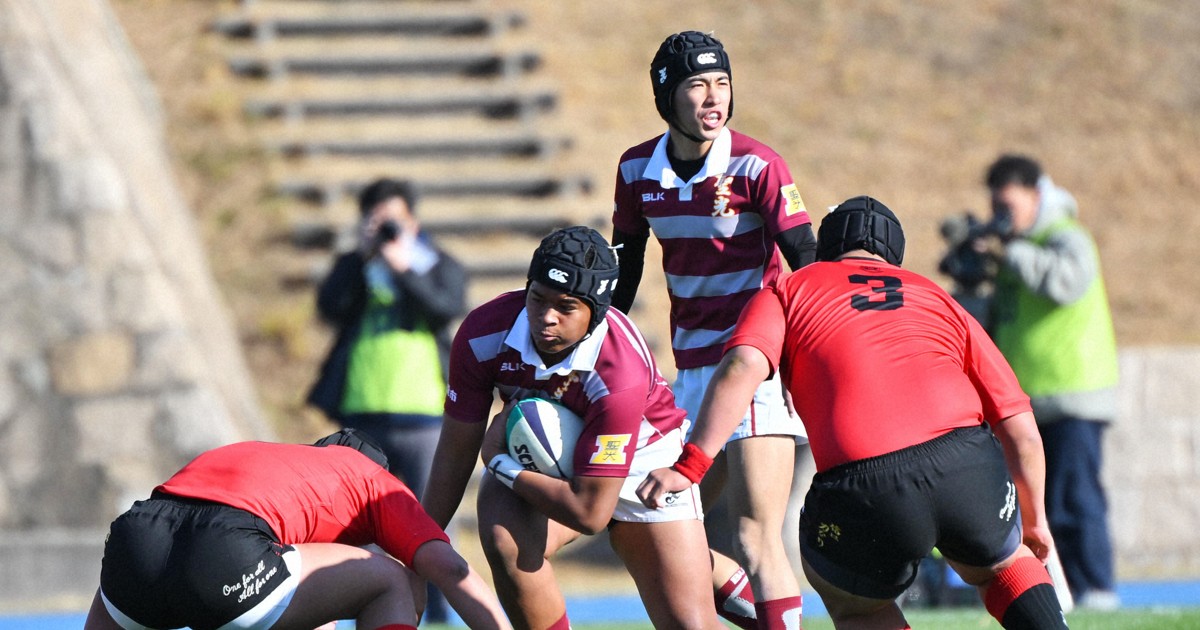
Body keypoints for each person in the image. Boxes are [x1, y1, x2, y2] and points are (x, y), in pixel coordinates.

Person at [639, 196, 1069, 629]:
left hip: (863, 484)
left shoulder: (788, 289)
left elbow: (743, 365)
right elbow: (1020, 427)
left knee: (854, 601)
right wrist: (1035, 522)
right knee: (1004, 564)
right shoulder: (936, 296)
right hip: (964, 462)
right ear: (893, 258)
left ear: (825, 251)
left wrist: (691, 465)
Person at [421, 226, 734, 630]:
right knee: (505, 535)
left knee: (689, 623)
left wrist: (499, 463)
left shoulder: (619, 369)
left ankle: (775, 617)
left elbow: (590, 513)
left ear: (597, 311)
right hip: (543, 460)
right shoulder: (485, 334)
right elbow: (455, 451)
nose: (546, 318)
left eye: (566, 307)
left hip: (642, 462)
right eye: (537, 298)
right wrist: (421, 542)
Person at [610, 30, 817, 629]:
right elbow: (625, 272)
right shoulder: (635, 168)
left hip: (753, 368)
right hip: (689, 372)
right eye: (697, 85)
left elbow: (808, 265)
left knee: (756, 537)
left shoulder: (758, 164)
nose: (713, 98)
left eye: (722, 83)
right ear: (666, 96)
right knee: (653, 525)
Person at [84, 429, 512, 630]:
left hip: (135, 540)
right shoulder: (375, 482)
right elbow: (449, 569)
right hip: (224, 551)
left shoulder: (279, 460)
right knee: (394, 581)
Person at [306, 177, 467, 621]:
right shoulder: (355, 265)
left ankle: (434, 613)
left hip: (423, 413)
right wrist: (363, 258)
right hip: (363, 412)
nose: (386, 229)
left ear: (413, 221)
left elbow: (445, 307)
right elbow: (330, 309)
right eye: (376, 221)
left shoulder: (435, 263)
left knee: (428, 520)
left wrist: (403, 268)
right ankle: (358, 605)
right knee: (355, 519)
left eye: (393, 220)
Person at [982, 154, 1120, 610]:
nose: (1002, 217)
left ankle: (1097, 590)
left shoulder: (1066, 236)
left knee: (1075, 498)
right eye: (995, 207)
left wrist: (1013, 250)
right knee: (1037, 507)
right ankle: (1060, 593)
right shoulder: (1017, 248)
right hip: (1031, 400)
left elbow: (1067, 284)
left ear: (1036, 195)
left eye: (1009, 205)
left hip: (1075, 393)